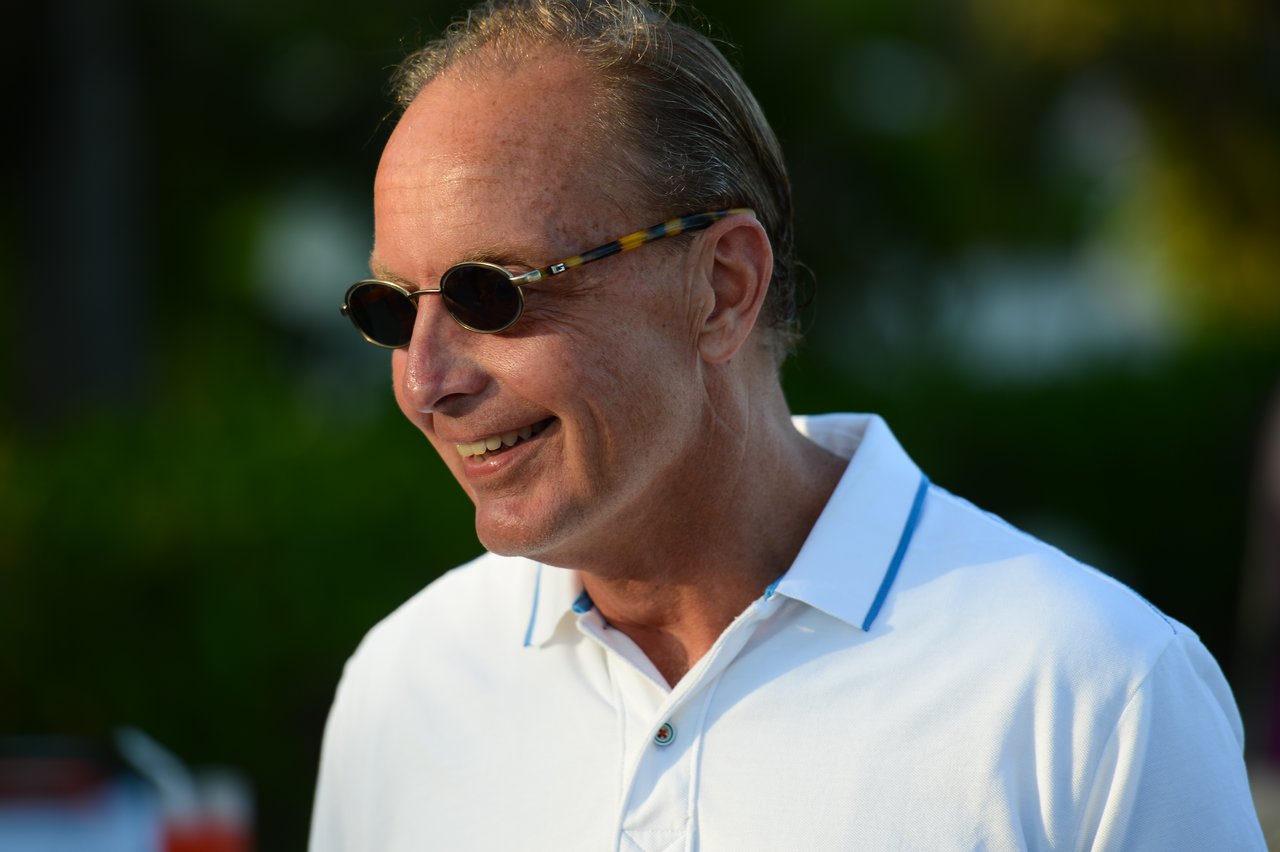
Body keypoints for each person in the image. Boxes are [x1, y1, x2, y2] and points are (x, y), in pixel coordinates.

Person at [311, 1, 1266, 848]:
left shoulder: (1094, 693)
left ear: (723, 288)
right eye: (391, 309)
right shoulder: (404, 688)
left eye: (490, 295)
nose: (426, 380)